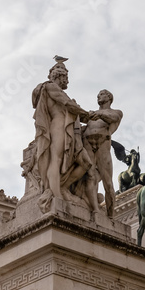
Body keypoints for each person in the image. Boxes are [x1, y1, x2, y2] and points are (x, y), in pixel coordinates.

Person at [32, 62, 92, 201]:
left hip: (68, 127)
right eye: (66, 77)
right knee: (56, 159)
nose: (68, 81)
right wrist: (87, 114)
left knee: (85, 163)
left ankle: (61, 187)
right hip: (58, 125)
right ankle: (56, 196)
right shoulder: (50, 86)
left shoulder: (54, 89)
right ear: (60, 76)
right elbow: (68, 104)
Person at [82, 89, 123, 218]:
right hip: (88, 144)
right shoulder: (91, 115)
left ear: (109, 97)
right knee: (90, 177)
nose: (99, 96)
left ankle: (110, 216)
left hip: (102, 145)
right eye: (98, 95)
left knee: (108, 183)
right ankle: (94, 209)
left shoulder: (115, 112)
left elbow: (113, 118)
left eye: (102, 94)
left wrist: (99, 114)